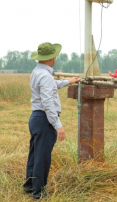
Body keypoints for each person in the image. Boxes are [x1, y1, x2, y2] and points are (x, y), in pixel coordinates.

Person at [23, 42, 80, 199]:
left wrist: (68, 81)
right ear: (51, 58)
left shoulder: (38, 72)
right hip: (44, 119)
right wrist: (58, 125)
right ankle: (39, 193)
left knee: (35, 153)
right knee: (43, 157)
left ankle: (30, 186)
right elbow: (48, 102)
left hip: (36, 117)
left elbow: (51, 85)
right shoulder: (45, 75)